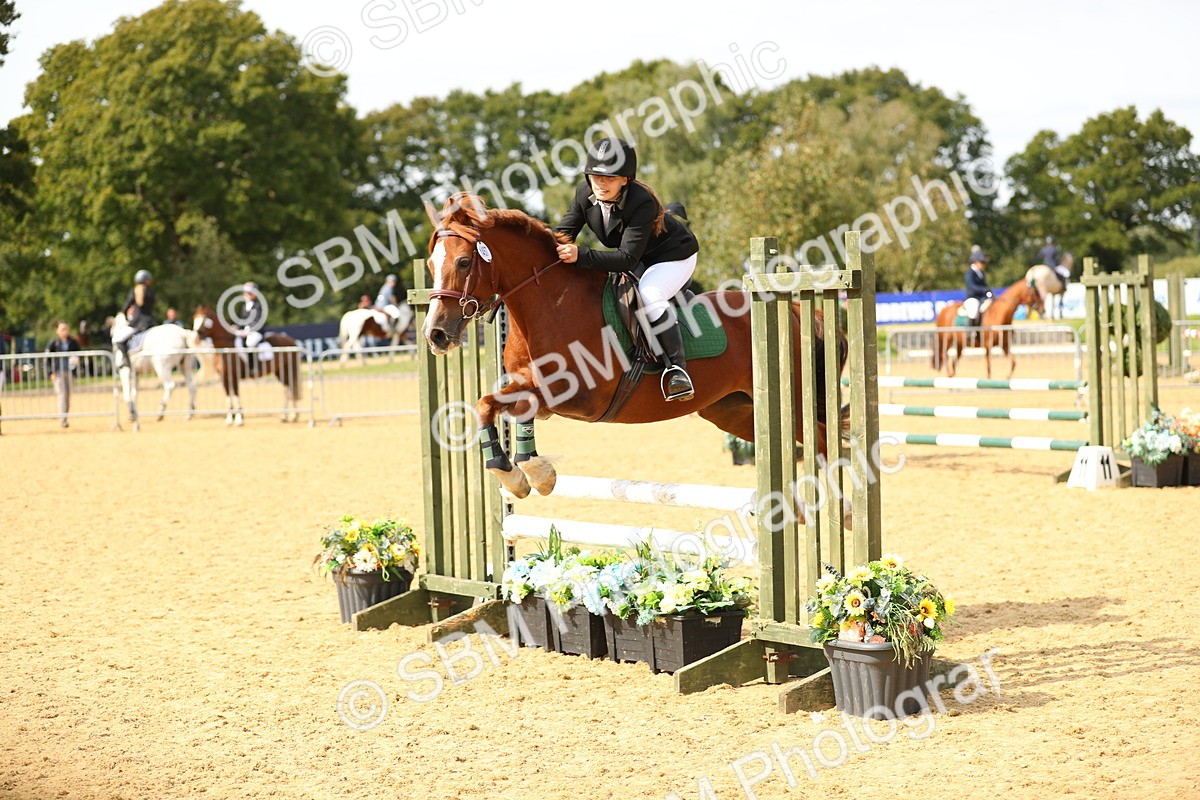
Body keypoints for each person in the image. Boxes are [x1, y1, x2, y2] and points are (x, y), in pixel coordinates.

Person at [553, 137, 701, 401]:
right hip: (641, 257)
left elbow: (625, 260)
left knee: (650, 293)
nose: (600, 183)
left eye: (609, 177)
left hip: (674, 256)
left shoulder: (641, 202)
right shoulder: (583, 194)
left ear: (625, 179)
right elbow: (563, 235)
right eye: (594, 176)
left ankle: (677, 369)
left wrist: (582, 255)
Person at [111, 269, 157, 363]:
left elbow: (126, 306)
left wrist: (126, 316)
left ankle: (126, 361)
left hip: (138, 322)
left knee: (118, 339)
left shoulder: (135, 291)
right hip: (151, 321)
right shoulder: (151, 291)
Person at [46, 320, 81, 428]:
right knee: (61, 395)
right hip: (58, 373)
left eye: (66, 329)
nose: (64, 331)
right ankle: (63, 419)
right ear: (57, 331)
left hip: (69, 372)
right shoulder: (53, 343)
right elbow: (46, 359)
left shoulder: (73, 342)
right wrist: (50, 373)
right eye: (62, 329)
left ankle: (65, 417)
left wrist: (76, 365)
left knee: (67, 396)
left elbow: (78, 355)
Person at [235, 281, 272, 370]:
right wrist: (237, 327)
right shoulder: (244, 307)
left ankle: (254, 366)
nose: (245, 295)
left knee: (250, 343)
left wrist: (248, 330)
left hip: (257, 332)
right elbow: (242, 321)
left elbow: (258, 321)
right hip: (246, 332)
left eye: (248, 293)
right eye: (245, 293)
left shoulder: (258, 306)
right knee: (237, 342)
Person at [962, 246, 992, 326]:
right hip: (972, 298)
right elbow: (971, 286)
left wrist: (989, 291)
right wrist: (983, 290)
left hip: (982, 298)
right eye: (982, 262)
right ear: (975, 262)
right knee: (974, 311)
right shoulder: (970, 272)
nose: (984, 264)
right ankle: (971, 331)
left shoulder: (981, 273)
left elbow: (985, 285)